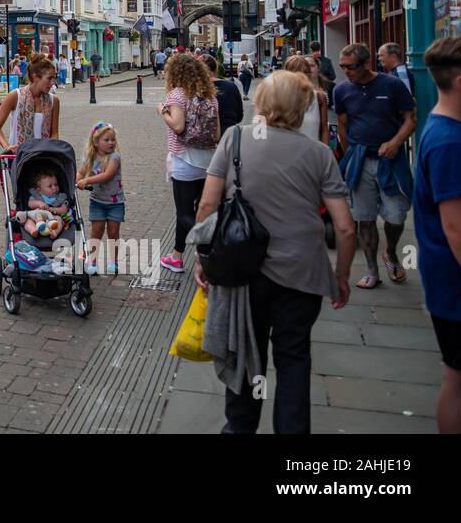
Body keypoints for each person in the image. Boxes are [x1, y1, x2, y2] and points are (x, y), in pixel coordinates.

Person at [194, 70, 356, 434]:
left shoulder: (234, 139)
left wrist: (202, 259)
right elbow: (345, 227)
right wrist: (341, 276)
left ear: (261, 103)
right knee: (294, 358)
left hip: (243, 271)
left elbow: (206, 206)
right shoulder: (319, 154)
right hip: (302, 275)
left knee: (246, 357)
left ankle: (239, 429)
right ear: (302, 109)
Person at [334, 43, 416, 290]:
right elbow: (343, 126)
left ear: (367, 63)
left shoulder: (392, 85)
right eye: (343, 67)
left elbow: (410, 119)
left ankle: (390, 253)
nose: (347, 72)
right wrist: (351, 155)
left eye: (351, 67)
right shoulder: (342, 90)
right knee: (364, 218)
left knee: (396, 216)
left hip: (391, 161)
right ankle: (372, 271)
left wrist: (395, 142)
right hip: (360, 160)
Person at [414, 37, 461, 433]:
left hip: (445, 280)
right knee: (456, 380)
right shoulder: (448, 141)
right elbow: (455, 227)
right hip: (453, 283)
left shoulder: (440, 128)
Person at [157, 52, 220, 274]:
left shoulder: (177, 95)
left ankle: (210, 248)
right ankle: (176, 256)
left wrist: (162, 112)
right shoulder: (209, 95)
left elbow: (178, 126)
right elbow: (218, 132)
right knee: (199, 209)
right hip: (208, 160)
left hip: (184, 160)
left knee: (184, 212)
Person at [77, 122, 124, 276]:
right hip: (97, 202)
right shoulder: (90, 157)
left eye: (113, 140)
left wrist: (87, 181)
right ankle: (92, 261)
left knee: (113, 232)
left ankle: (113, 261)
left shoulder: (114, 157)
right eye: (107, 140)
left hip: (115, 203)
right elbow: (81, 173)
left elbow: (107, 176)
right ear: (96, 142)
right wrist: (77, 180)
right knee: (96, 232)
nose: (111, 143)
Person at [0, 57, 60, 151]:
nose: (53, 83)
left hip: (44, 158)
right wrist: (7, 147)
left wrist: (52, 147)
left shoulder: (54, 101)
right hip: (19, 157)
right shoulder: (15, 96)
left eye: (54, 78)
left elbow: (54, 133)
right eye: (49, 78)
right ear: (35, 77)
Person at [286, 54, 330, 146]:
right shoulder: (279, 99)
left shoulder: (319, 97)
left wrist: (325, 153)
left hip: (313, 155)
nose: (304, 76)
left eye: (306, 72)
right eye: (298, 72)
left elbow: (324, 129)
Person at [203, 53, 243, 134]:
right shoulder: (231, 87)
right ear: (216, 69)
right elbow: (239, 115)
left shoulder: (197, 90)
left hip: (205, 137)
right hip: (230, 134)